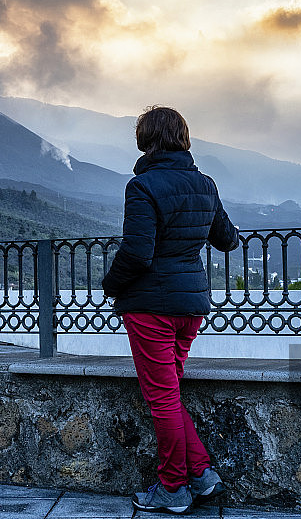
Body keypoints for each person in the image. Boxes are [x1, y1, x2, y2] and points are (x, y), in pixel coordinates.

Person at [102, 106, 239, 514]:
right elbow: (228, 240)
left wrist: (110, 285)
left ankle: (172, 488)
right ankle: (201, 474)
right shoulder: (205, 184)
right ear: (183, 137)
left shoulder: (142, 186)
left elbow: (137, 253)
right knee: (170, 393)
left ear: (146, 140)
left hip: (151, 307)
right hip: (191, 305)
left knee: (161, 398)